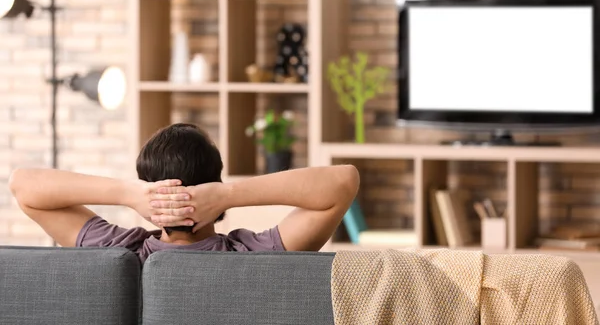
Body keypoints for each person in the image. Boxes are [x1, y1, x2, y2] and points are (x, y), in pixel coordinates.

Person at [9, 123, 359, 262]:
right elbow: (343, 182)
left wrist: (127, 194)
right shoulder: (253, 254)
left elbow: (23, 186)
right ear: (214, 182)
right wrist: (229, 195)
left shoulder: (120, 250)